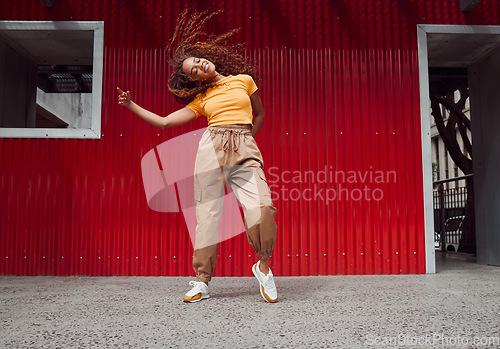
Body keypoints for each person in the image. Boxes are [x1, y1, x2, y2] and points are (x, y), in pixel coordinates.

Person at [117, 8, 278, 303]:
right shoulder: (202, 99)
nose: (200, 66)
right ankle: (202, 280)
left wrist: (247, 140)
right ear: (196, 80)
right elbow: (165, 122)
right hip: (211, 148)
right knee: (207, 215)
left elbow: (261, 113)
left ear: (206, 56)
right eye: (194, 70)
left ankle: (263, 266)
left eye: (198, 61)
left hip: (243, 144)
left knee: (262, 207)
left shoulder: (244, 80)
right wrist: (131, 106)